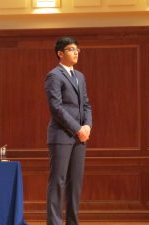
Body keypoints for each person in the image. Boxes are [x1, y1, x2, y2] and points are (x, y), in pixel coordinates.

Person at [45, 36, 92, 225]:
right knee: (58, 182)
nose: (76, 52)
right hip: (62, 136)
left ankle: (73, 222)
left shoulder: (80, 76)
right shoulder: (54, 75)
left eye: (77, 49)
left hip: (80, 137)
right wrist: (77, 128)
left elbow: (86, 104)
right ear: (60, 53)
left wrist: (87, 126)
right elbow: (56, 107)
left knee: (75, 184)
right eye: (72, 49)